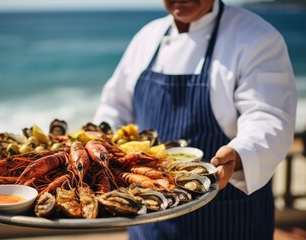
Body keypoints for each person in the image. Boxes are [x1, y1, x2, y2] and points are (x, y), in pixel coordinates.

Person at [93, 0, 297, 239]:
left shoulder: (256, 36)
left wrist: (240, 154)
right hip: (150, 214)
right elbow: (114, 108)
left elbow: (268, 115)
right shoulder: (147, 37)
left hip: (226, 214)